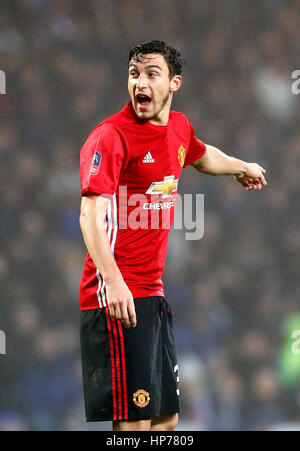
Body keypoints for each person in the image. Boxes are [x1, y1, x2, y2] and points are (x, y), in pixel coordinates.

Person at [78, 40, 267, 432]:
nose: (140, 83)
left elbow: (202, 155)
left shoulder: (179, 127)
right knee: (135, 422)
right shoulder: (111, 136)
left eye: (151, 74)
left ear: (174, 83)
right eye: (134, 74)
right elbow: (89, 212)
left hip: (152, 293)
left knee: (166, 419)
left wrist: (241, 166)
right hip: (117, 295)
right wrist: (112, 281)